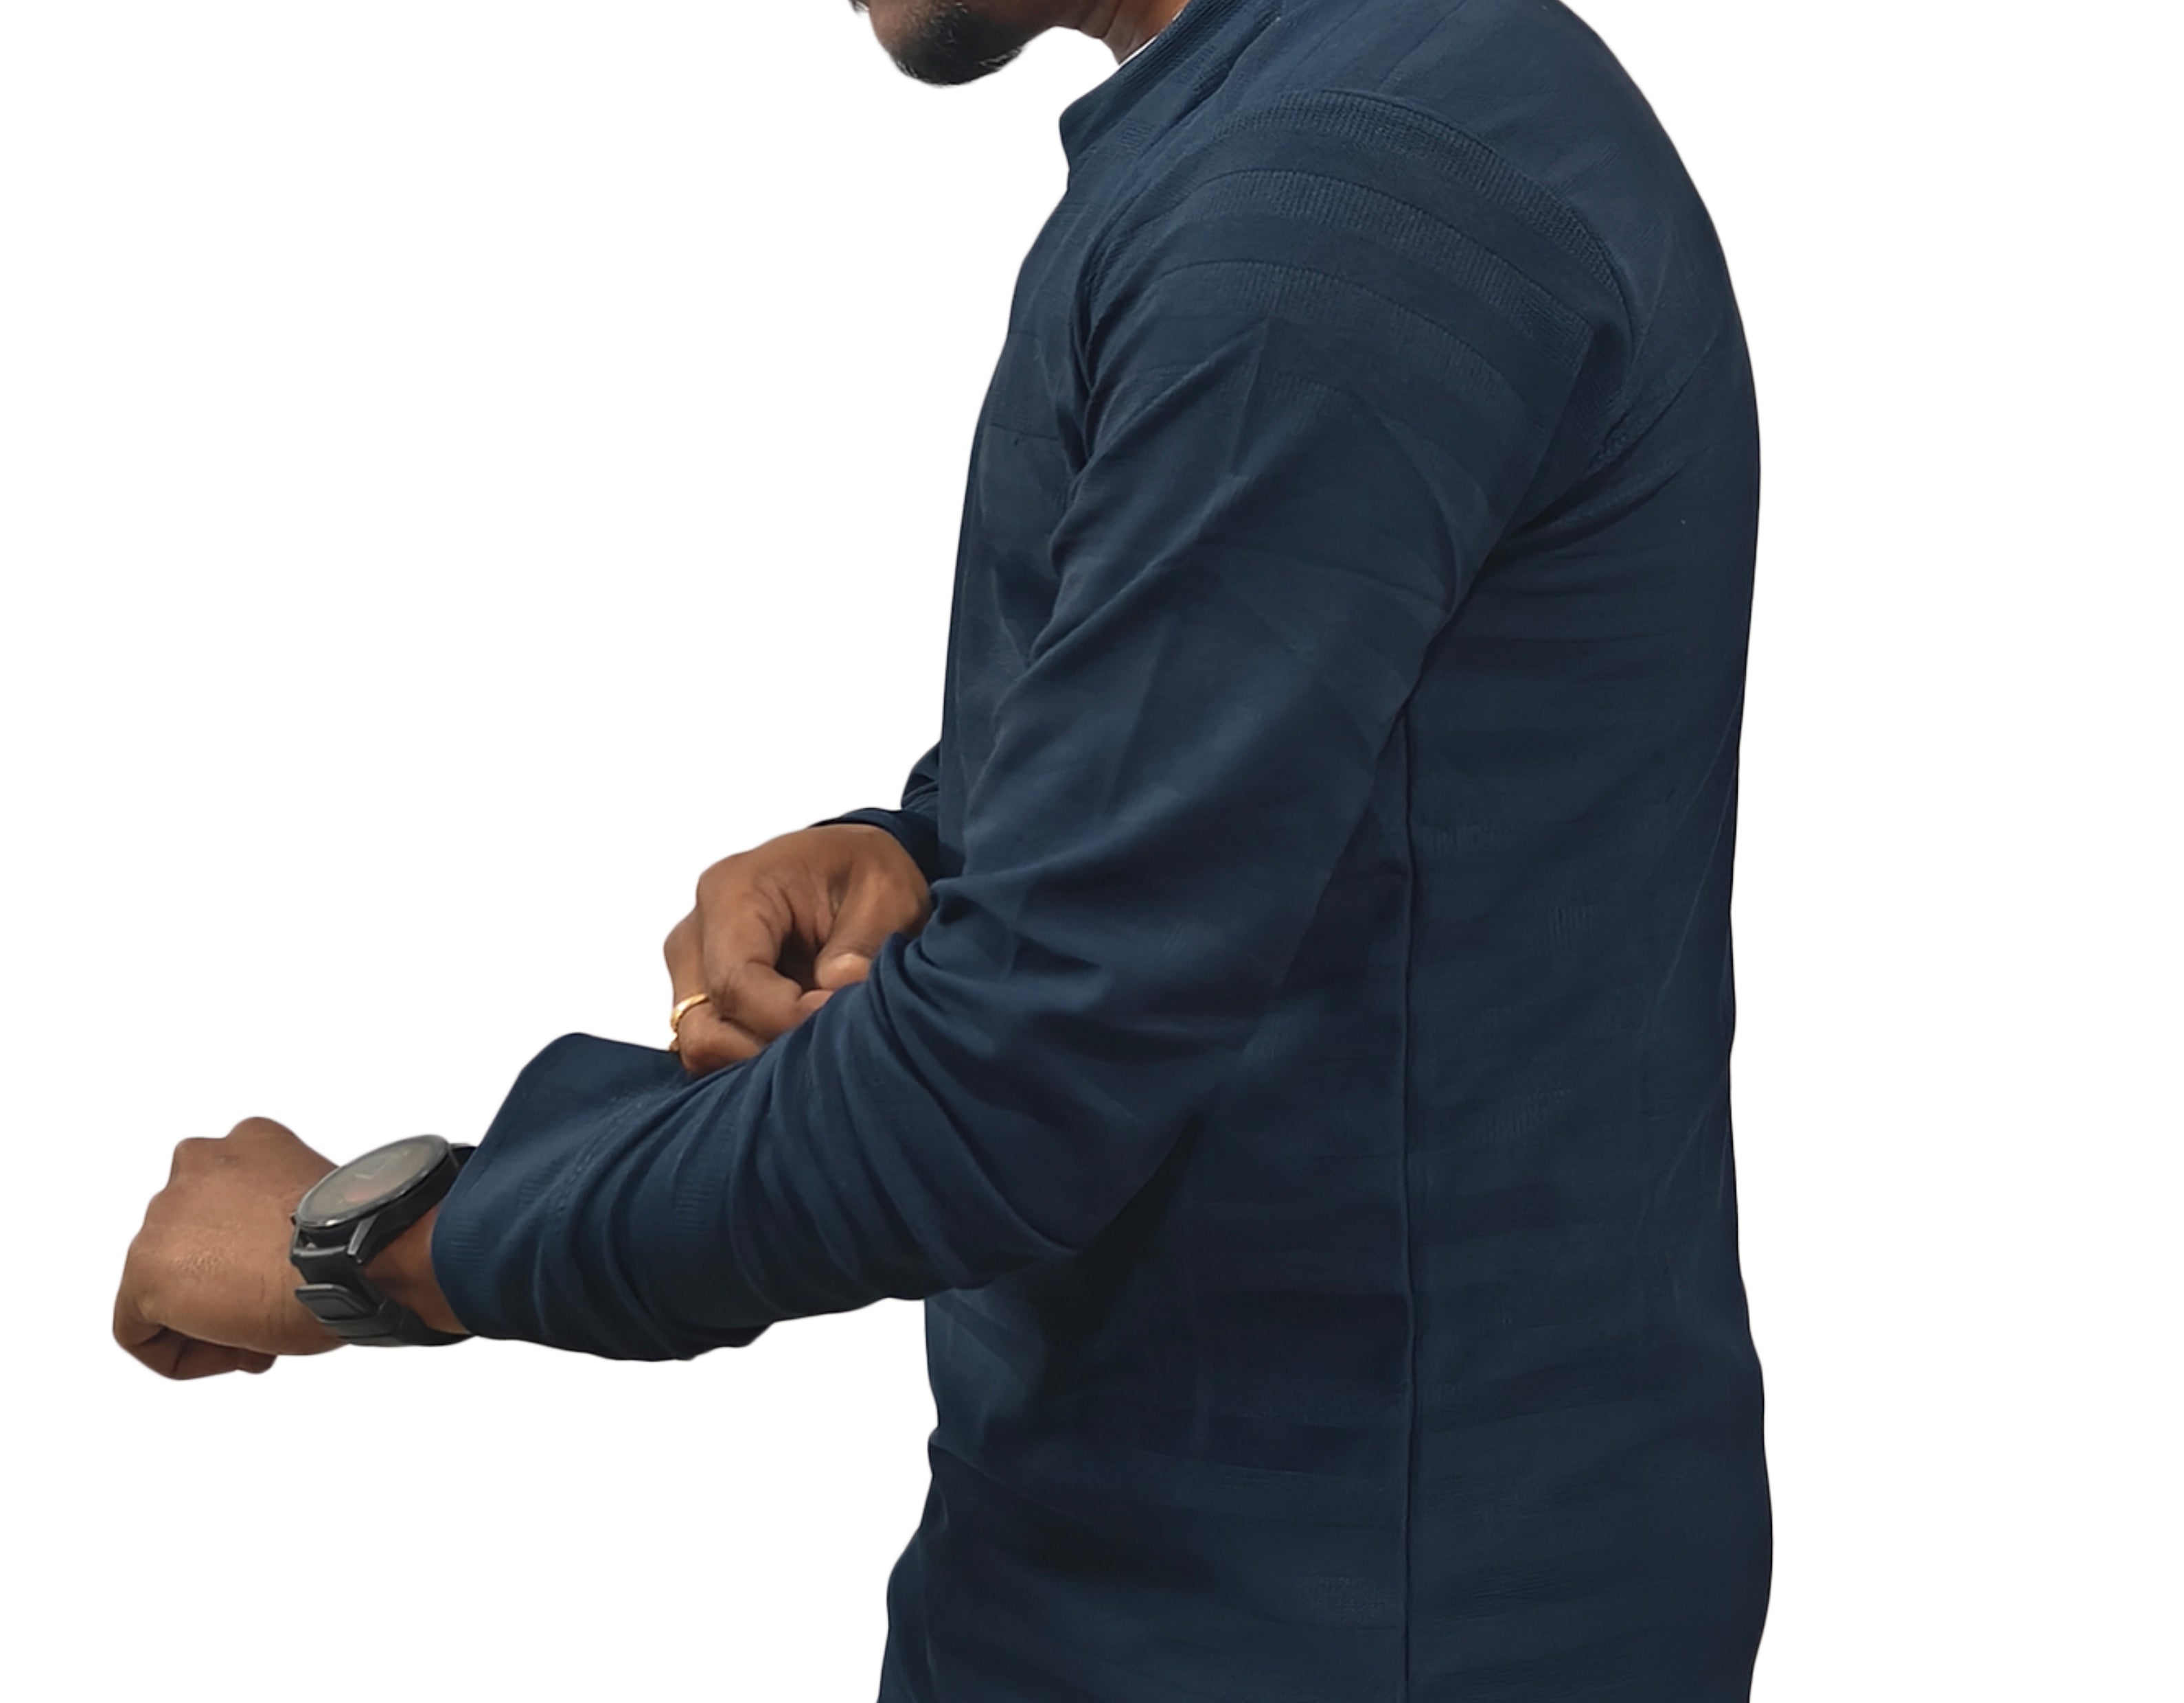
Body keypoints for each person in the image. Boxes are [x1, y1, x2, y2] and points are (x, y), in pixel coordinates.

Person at [113, 0, 1771, 1696]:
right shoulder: (1374, 102)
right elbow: (1325, 769)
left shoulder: (1328, 215)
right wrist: (925, 847)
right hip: (1263, 1569)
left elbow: (1012, 1081)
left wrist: (369, 1248)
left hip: (1320, 1617)